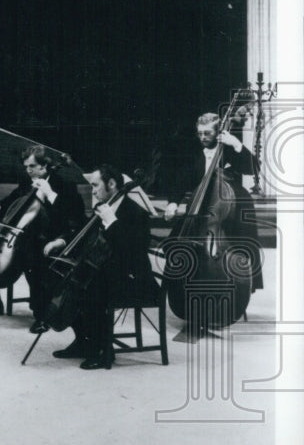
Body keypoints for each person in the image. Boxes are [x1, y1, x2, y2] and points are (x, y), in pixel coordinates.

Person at [53, 165, 158, 370]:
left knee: (93, 286)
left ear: (111, 184)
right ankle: (83, 341)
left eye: (95, 185)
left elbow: (134, 253)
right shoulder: (103, 205)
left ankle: (103, 350)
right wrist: (63, 241)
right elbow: (84, 234)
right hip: (108, 271)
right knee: (65, 275)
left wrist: (112, 222)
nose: (92, 190)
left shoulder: (136, 212)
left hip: (134, 278)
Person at [0, 145, 84, 332]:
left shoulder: (65, 184)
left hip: (51, 238)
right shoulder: (28, 181)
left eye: (32, 166)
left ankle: (41, 315)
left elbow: (72, 218)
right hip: (26, 235)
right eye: (26, 166)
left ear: (45, 166)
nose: (28, 170)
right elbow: (12, 199)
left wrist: (50, 195)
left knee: (34, 260)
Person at [164, 111, 263, 294]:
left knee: (241, 243)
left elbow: (254, 168)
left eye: (207, 133)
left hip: (230, 208)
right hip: (202, 206)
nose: (202, 137)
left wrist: (236, 144)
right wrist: (173, 202)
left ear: (218, 132)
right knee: (174, 241)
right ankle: (184, 286)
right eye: (200, 133)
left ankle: (239, 288)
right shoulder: (195, 153)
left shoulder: (228, 149)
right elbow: (181, 179)